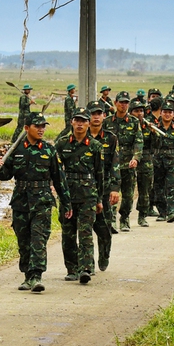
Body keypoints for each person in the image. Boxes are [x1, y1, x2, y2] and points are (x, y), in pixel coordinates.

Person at [0, 112, 71, 293]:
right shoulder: (16, 150)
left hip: (42, 200)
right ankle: (27, 276)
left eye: (43, 126)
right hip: (21, 201)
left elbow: (59, 179)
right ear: (27, 128)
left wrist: (66, 203)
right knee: (24, 241)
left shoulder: (49, 150)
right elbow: (6, 176)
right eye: (37, 126)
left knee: (38, 238)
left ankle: (37, 276)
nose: (41, 129)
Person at [56, 107, 102, 284]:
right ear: (72, 122)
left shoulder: (95, 146)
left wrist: (99, 200)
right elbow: (56, 170)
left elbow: (100, 175)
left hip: (88, 195)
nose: (80, 124)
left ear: (88, 124)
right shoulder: (62, 144)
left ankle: (86, 269)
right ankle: (72, 268)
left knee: (85, 233)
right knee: (68, 233)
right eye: (77, 120)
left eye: (84, 121)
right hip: (67, 195)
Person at [88, 102, 121, 269]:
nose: (96, 117)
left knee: (105, 229)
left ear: (103, 116)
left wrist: (115, 188)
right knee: (84, 229)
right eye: (93, 113)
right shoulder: (78, 135)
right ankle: (87, 263)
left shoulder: (110, 138)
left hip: (105, 189)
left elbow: (115, 164)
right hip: (84, 189)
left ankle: (104, 255)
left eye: (99, 113)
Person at [107, 91, 143, 232]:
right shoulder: (107, 122)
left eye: (126, 102)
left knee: (128, 195)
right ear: (115, 103)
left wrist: (136, 158)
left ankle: (125, 218)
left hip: (128, 164)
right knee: (111, 193)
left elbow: (138, 142)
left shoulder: (134, 122)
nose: (124, 105)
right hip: (112, 165)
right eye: (121, 102)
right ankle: (111, 219)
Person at [153, 100, 174, 222]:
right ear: (161, 113)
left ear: (173, 114)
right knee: (159, 187)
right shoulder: (154, 128)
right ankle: (162, 212)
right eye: (165, 112)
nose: (167, 114)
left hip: (173, 161)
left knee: (173, 187)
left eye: (170, 112)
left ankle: (172, 212)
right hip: (158, 162)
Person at [131, 98, 156, 227]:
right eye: (136, 111)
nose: (139, 114)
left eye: (141, 111)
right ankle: (122, 217)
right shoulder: (128, 125)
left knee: (145, 190)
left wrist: (154, 133)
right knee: (128, 192)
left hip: (145, 160)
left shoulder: (148, 126)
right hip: (129, 159)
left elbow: (157, 145)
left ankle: (142, 216)